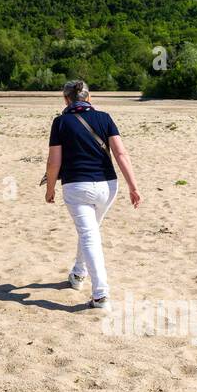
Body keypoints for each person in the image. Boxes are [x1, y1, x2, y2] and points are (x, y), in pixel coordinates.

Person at [44, 80, 141, 309]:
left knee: (89, 235)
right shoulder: (104, 118)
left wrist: (50, 188)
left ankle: (100, 294)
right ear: (89, 98)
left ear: (66, 99)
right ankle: (78, 274)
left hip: (77, 187)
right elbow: (120, 153)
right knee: (90, 232)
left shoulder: (60, 122)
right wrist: (133, 187)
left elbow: (53, 162)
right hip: (108, 186)